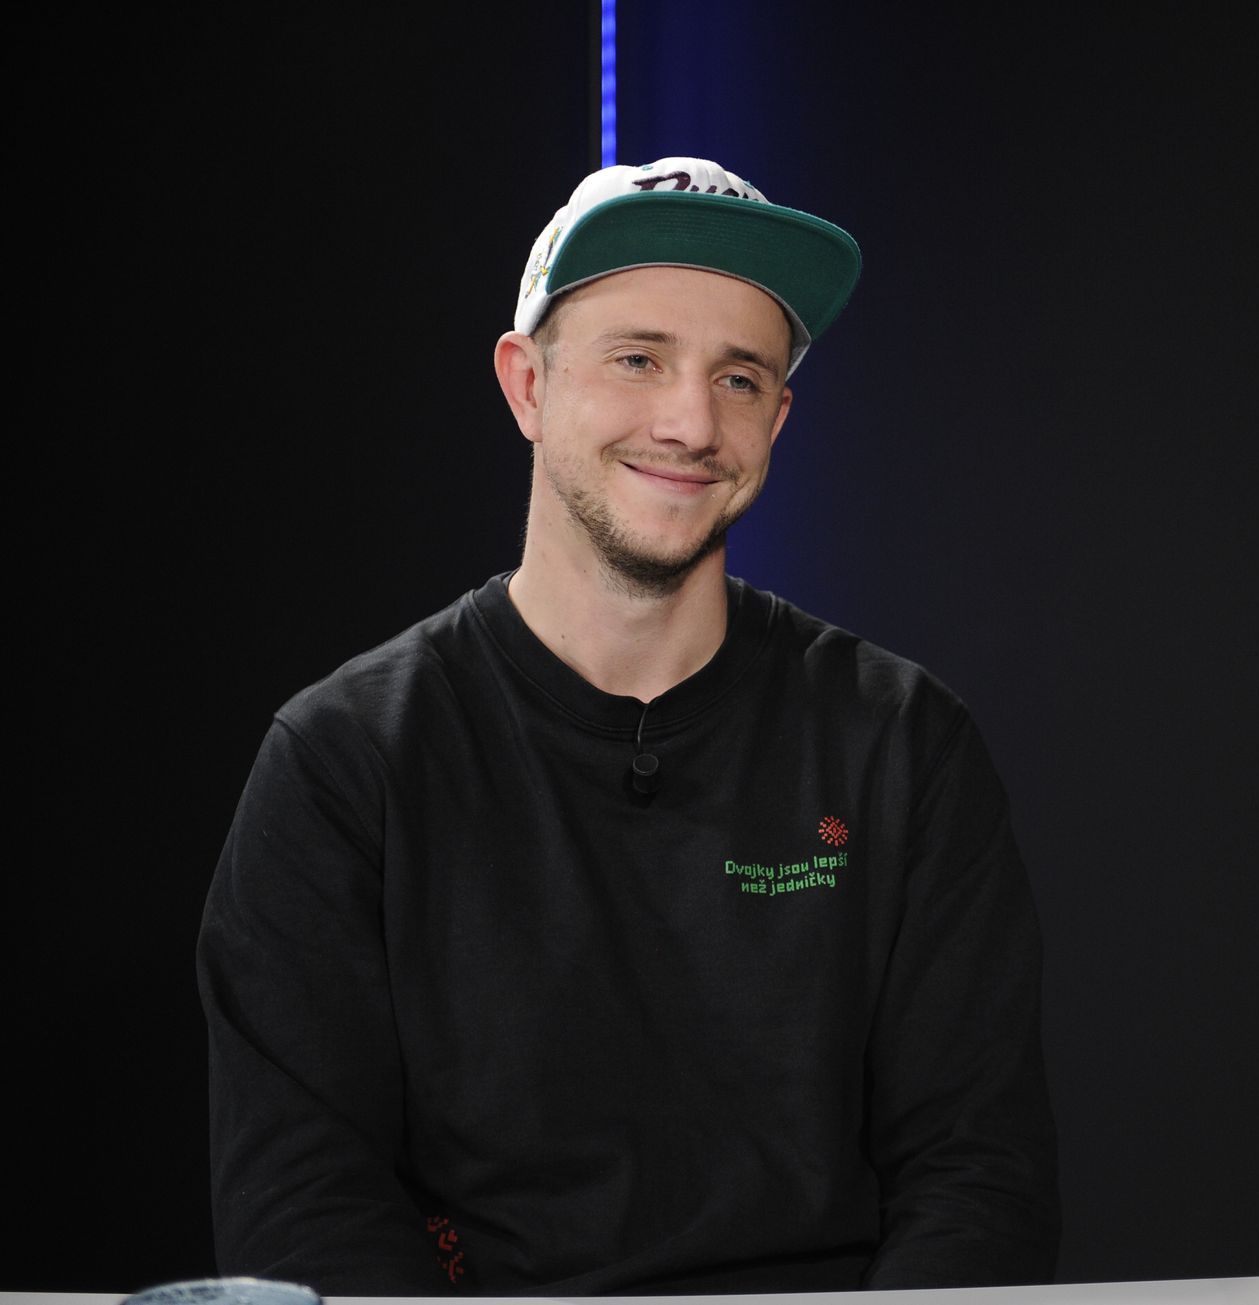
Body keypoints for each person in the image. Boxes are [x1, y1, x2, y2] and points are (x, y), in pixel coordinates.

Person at [197, 158, 1060, 1295]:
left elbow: (979, 1181)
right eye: (638, 358)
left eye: (739, 377)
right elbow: (303, 1205)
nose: (690, 422)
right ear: (527, 385)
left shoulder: (901, 745)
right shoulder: (347, 762)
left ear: (777, 419)